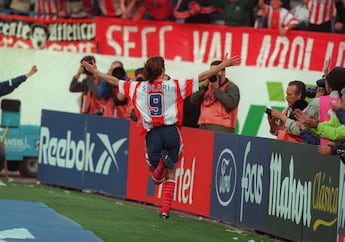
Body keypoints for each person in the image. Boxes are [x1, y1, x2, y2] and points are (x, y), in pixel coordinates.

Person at [82, 54, 241, 219]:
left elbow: (114, 81)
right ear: (163, 70)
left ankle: (158, 170)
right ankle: (165, 209)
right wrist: (224, 64)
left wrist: (96, 72)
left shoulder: (138, 87)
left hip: (153, 135)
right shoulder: (173, 85)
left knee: (156, 177)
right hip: (171, 132)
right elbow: (202, 76)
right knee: (172, 171)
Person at [189, 60, 240, 134]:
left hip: (222, 127)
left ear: (223, 73)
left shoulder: (231, 87)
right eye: (212, 71)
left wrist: (216, 90)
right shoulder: (207, 87)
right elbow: (193, 100)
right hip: (203, 125)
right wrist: (204, 87)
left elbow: (231, 104)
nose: (214, 74)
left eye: (217, 71)